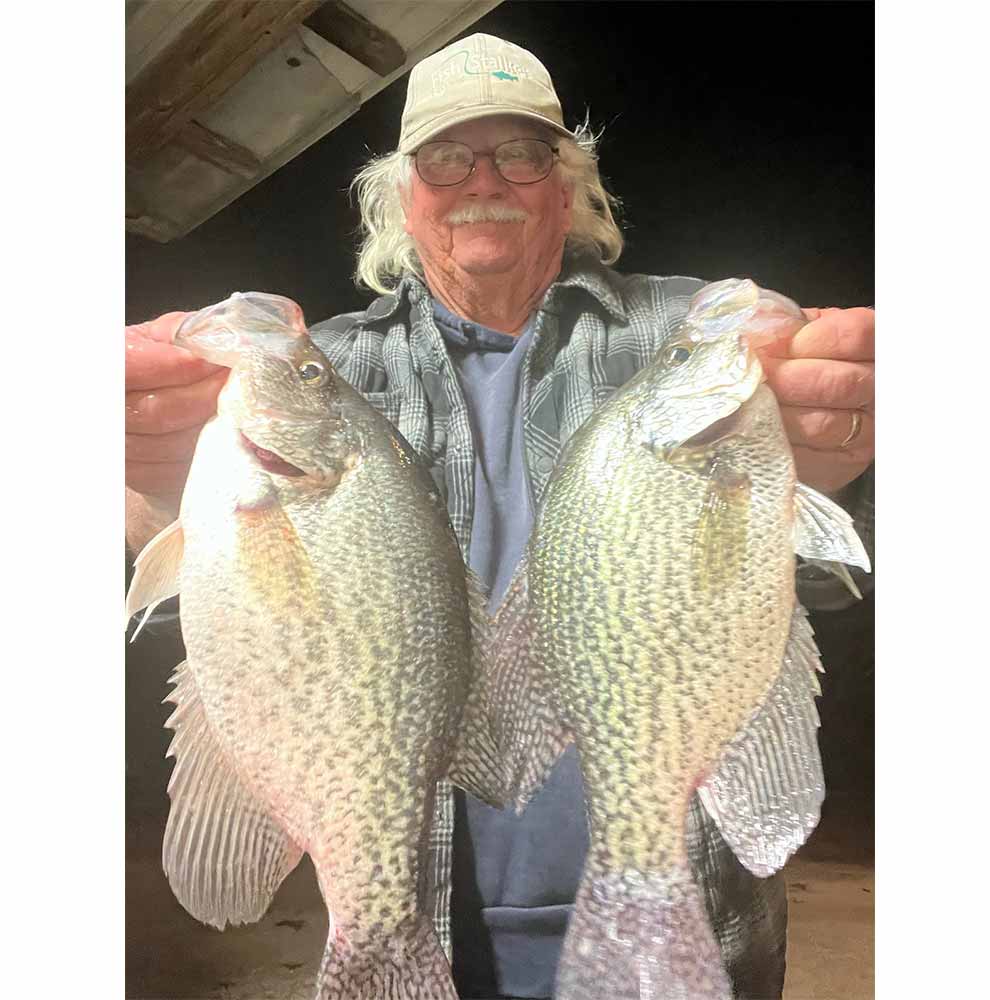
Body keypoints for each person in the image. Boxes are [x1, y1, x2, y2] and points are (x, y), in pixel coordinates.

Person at [125, 33, 874, 1000]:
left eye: (522, 153)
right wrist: (147, 498)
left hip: (685, 926)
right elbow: (233, 619)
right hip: (425, 915)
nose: (485, 178)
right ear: (402, 196)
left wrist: (835, 466)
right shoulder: (337, 372)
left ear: (568, 189)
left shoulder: (675, 341)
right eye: (445, 157)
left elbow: (821, 584)